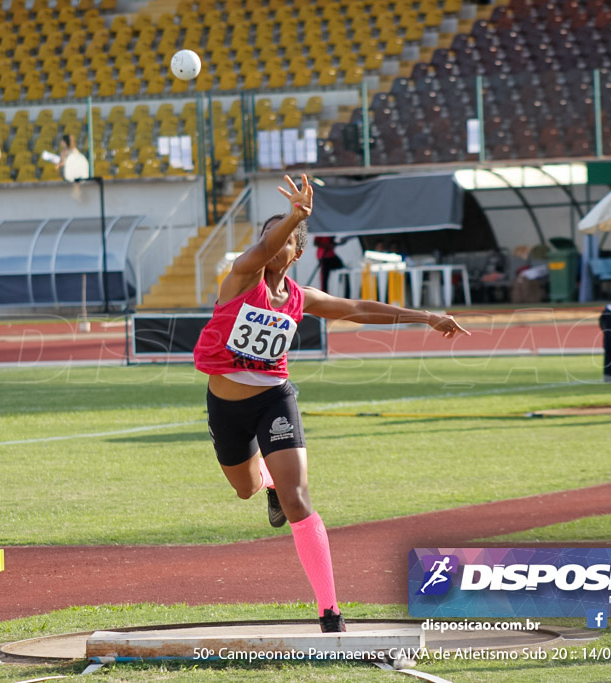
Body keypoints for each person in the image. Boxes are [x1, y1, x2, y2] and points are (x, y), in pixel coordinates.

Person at [192, 174, 469, 632]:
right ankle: (266, 482)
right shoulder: (243, 276)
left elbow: (359, 309)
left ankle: (330, 611)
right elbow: (261, 253)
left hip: (274, 400)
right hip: (226, 406)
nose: (267, 239)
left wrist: (428, 317)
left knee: (299, 499)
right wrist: (295, 218)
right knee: (244, 488)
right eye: (265, 232)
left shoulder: (302, 298)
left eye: (279, 234)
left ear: (297, 252)